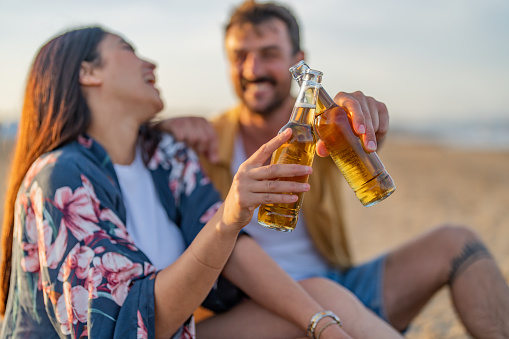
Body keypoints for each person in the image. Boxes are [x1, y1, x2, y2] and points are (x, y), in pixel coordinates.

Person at [0, 26, 405, 339]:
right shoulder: (60, 178)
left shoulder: (165, 157)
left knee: (323, 296)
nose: (151, 64)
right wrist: (227, 222)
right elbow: (126, 324)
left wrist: (321, 323)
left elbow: (236, 254)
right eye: (128, 50)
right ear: (88, 73)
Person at [161, 1, 509, 338]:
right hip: (248, 310)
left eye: (268, 53)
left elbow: (358, 151)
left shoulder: (323, 125)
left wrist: (370, 127)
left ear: (299, 62)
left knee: (457, 241)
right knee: (321, 293)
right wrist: (161, 130)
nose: (252, 69)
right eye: (240, 57)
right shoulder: (205, 141)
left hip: (337, 285)